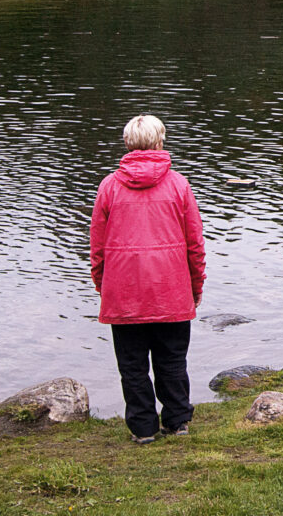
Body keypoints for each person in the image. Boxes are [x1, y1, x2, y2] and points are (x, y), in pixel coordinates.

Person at [90, 115, 205, 444]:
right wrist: (195, 287)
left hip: (123, 291)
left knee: (132, 364)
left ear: (127, 144)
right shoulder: (179, 185)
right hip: (171, 290)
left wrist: (103, 286)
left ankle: (143, 429)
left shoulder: (109, 186)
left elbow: (96, 247)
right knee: (172, 358)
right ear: (160, 142)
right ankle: (178, 421)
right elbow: (195, 244)